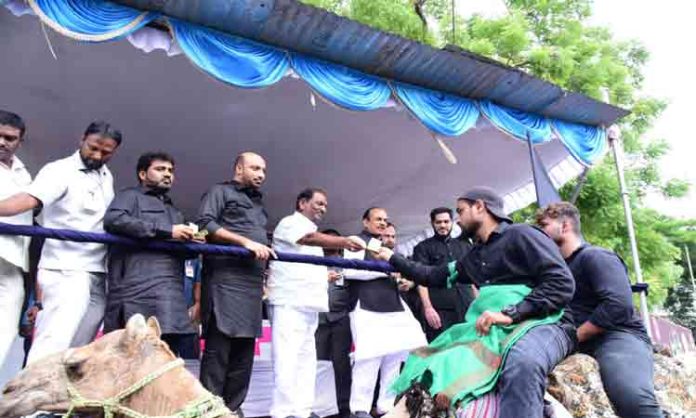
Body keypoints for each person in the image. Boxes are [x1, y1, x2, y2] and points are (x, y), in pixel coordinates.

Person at [374, 187, 576, 418]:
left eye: (460, 211)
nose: (457, 219)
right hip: (496, 328)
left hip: (546, 324)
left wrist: (511, 313)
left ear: (480, 207)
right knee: (430, 358)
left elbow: (562, 283)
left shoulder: (522, 234)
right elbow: (433, 275)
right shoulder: (477, 254)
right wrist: (391, 257)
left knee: (522, 362)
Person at [0, 121, 122, 363]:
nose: (97, 155)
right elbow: (28, 200)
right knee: (52, 344)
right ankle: (31, 401)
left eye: (106, 152)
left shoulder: (106, 175)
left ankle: (58, 400)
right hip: (65, 269)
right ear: (82, 139)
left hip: (98, 271)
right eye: (93, 148)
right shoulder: (60, 170)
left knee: (76, 352)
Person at [536, 202, 663, 418]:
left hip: (616, 336)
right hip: (571, 343)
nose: (539, 233)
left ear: (565, 226)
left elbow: (618, 306)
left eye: (544, 226)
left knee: (631, 396)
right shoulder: (552, 272)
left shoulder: (596, 257)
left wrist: (575, 336)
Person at [267, 188, 362, 418]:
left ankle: (301, 411)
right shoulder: (290, 223)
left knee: (306, 362)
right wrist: (345, 241)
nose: (323, 208)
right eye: (318, 203)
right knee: (287, 359)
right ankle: (283, 412)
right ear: (302, 203)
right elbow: (306, 239)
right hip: (290, 303)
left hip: (309, 306)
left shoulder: (314, 234)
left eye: (325, 205)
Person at [196, 152, 276, 415]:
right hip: (225, 282)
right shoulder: (220, 191)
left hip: (251, 286)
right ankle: (210, 410)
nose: (261, 174)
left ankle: (233, 409)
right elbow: (205, 224)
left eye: (263, 170)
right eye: (255, 168)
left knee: (244, 356)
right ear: (239, 169)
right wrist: (245, 242)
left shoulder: (258, 205)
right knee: (219, 353)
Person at [103, 152, 199, 355]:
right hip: (136, 291)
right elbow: (114, 220)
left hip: (171, 295)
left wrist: (197, 239)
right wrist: (168, 231)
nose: (167, 174)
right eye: (160, 169)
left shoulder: (175, 211)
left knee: (165, 359)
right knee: (132, 358)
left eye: (171, 171)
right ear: (142, 174)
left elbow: (184, 253)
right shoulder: (129, 196)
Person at [343, 209, 426, 418]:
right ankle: (359, 409)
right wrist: (384, 269)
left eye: (385, 220)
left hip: (393, 306)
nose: (382, 223)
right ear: (365, 222)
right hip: (366, 307)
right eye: (378, 219)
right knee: (369, 359)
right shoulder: (356, 240)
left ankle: (385, 406)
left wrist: (400, 280)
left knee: (395, 357)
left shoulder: (382, 246)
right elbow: (349, 270)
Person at [412, 207, 474, 341]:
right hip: (440, 310)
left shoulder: (464, 245)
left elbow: (473, 277)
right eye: (438, 222)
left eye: (446, 221)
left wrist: (479, 303)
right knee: (442, 349)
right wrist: (428, 308)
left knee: (471, 346)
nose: (443, 225)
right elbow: (420, 280)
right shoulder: (422, 248)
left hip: (467, 305)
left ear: (452, 222)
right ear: (432, 224)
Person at [0, 110, 32, 366]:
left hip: (13, 260)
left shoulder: (24, 173)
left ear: (20, 141)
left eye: (9, 138)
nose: (2, 142)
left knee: (5, 331)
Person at [315, 229, 353, 418]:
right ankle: (317, 407)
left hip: (341, 320)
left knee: (341, 364)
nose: (329, 244)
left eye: (333, 240)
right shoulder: (312, 263)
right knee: (318, 364)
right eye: (325, 240)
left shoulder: (349, 265)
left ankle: (343, 406)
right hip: (318, 319)